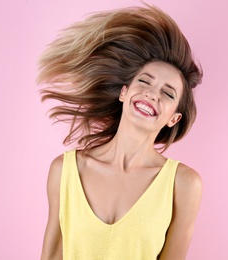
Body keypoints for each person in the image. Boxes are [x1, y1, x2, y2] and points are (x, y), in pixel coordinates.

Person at [37, 4, 203, 260]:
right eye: (144, 81)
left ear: (174, 118)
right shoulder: (65, 171)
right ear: (124, 92)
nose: (151, 94)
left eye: (167, 93)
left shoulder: (183, 184)